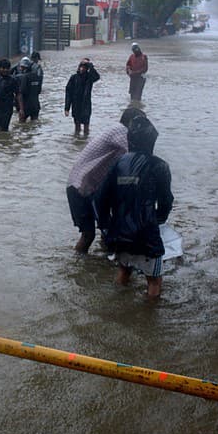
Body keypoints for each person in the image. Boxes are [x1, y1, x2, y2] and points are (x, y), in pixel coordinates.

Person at [95, 115, 174, 298]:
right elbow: (166, 201)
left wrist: (107, 226)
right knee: (154, 281)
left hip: (120, 233)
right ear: (152, 140)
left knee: (124, 272)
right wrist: (157, 220)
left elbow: (100, 198)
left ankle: (116, 307)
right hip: (147, 235)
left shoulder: (118, 163)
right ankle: (149, 321)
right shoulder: (160, 166)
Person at [66, 107, 145, 254]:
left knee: (107, 227)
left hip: (90, 187)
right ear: (130, 123)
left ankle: (102, 263)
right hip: (80, 187)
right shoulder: (121, 131)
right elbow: (138, 155)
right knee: (88, 235)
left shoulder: (119, 132)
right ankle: (78, 265)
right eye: (140, 125)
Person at [65, 58, 100, 135]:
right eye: (81, 66)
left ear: (87, 68)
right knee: (77, 127)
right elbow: (68, 93)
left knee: (86, 127)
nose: (82, 68)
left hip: (86, 105)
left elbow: (97, 77)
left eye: (84, 67)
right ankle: (77, 141)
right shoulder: (74, 78)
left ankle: (85, 141)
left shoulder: (89, 78)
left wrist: (90, 66)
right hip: (76, 105)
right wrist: (67, 108)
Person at [15, 56, 42, 122]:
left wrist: (21, 109)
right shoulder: (37, 77)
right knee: (34, 125)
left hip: (25, 106)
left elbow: (20, 94)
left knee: (21, 126)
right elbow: (39, 91)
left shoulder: (25, 77)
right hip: (36, 106)